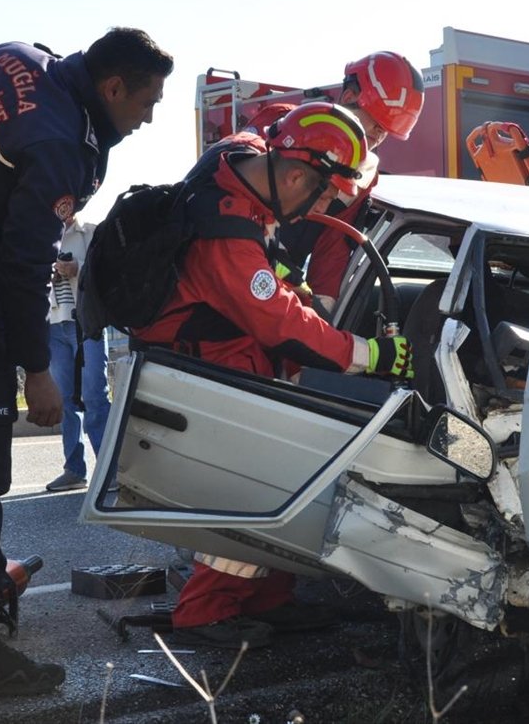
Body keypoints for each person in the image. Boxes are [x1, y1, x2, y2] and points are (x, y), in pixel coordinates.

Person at [0, 27, 173, 699]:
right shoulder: (58, 143)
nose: (147, 119)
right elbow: (23, 262)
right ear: (113, 87)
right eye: (146, 103)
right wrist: (37, 369)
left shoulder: (18, 57)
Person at [135, 102, 415, 650]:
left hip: (232, 353)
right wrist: (371, 355)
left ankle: (267, 598)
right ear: (294, 177)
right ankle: (204, 612)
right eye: (326, 196)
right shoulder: (225, 237)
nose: (325, 209)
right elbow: (283, 325)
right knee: (252, 487)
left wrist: (284, 273)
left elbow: (267, 273)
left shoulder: (243, 167)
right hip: (218, 364)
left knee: (279, 479)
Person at [278, 52, 425, 312]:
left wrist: (322, 314)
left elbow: (333, 251)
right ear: (348, 98)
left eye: (388, 128)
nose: (380, 133)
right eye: (377, 120)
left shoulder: (362, 177)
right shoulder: (285, 126)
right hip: (232, 272)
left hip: (278, 291)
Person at [44, 214, 111, 492]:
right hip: (52, 324)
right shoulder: (40, 234)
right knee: (64, 402)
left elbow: (108, 273)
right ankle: (74, 470)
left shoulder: (91, 233)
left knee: (94, 396)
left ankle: (110, 472)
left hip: (86, 322)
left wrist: (77, 269)